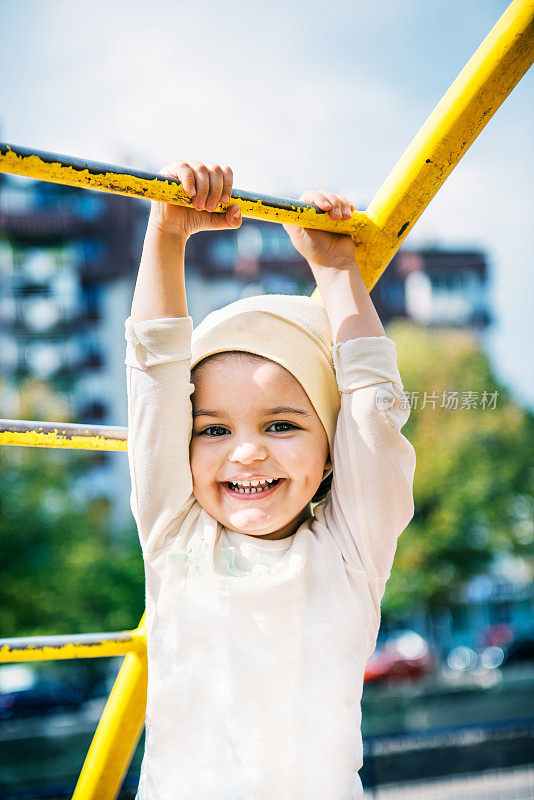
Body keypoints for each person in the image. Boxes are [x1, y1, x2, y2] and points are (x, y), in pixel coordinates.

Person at [125, 160, 416, 800]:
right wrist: (166, 234)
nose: (247, 453)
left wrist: (336, 269)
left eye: (282, 425)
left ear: (333, 451)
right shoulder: (176, 531)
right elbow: (155, 377)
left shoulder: (349, 551)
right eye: (213, 429)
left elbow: (370, 407)